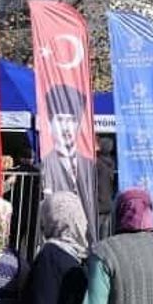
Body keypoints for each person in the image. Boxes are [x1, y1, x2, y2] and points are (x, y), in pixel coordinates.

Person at [39, 84, 98, 243]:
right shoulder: (45, 162)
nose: (66, 128)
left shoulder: (88, 164)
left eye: (71, 120)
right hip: (54, 233)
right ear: (50, 123)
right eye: (60, 120)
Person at [94, 136, 116, 240]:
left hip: (99, 203)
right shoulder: (111, 163)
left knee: (97, 234)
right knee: (105, 234)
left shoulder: (97, 163)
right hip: (108, 202)